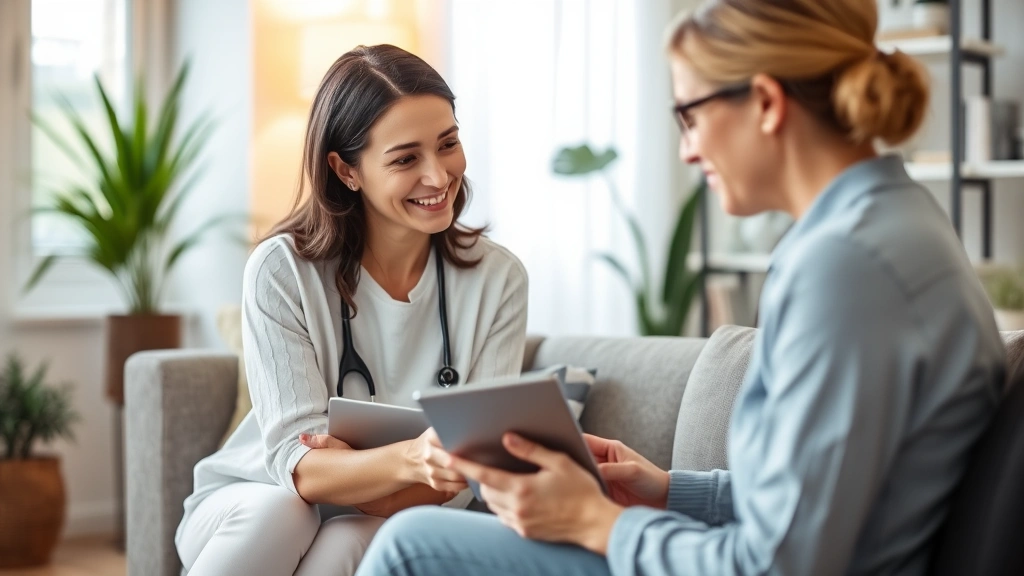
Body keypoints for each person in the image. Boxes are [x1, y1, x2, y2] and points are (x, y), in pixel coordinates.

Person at [354, 1, 1006, 574]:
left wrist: (596, 521)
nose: (687, 151)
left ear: (767, 104)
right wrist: (669, 490)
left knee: (412, 544)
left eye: (688, 117)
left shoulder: (848, 267)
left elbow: (779, 563)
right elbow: (817, 505)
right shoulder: (891, 223)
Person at [174, 44, 528, 576]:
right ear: (346, 170)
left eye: (448, 144)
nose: (438, 176)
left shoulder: (499, 279)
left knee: (359, 536)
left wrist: (375, 490)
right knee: (283, 513)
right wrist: (414, 459)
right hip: (253, 497)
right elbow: (298, 467)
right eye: (406, 159)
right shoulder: (281, 269)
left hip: (403, 510)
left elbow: (471, 465)